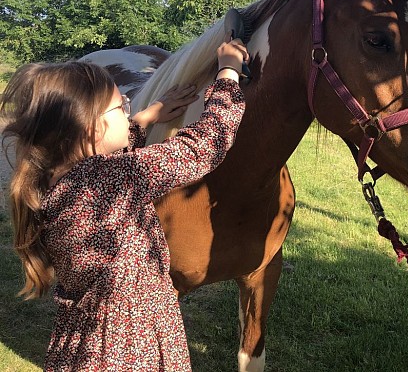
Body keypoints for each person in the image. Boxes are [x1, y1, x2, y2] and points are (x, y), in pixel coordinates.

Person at [0, 33, 249, 371]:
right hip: (133, 348)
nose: (129, 110)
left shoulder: (56, 180)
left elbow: (103, 154)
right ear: (92, 127)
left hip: (84, 347)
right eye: (122, 106)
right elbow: (202, 147)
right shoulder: (110, 179)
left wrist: (149, 117)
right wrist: (228, 74)